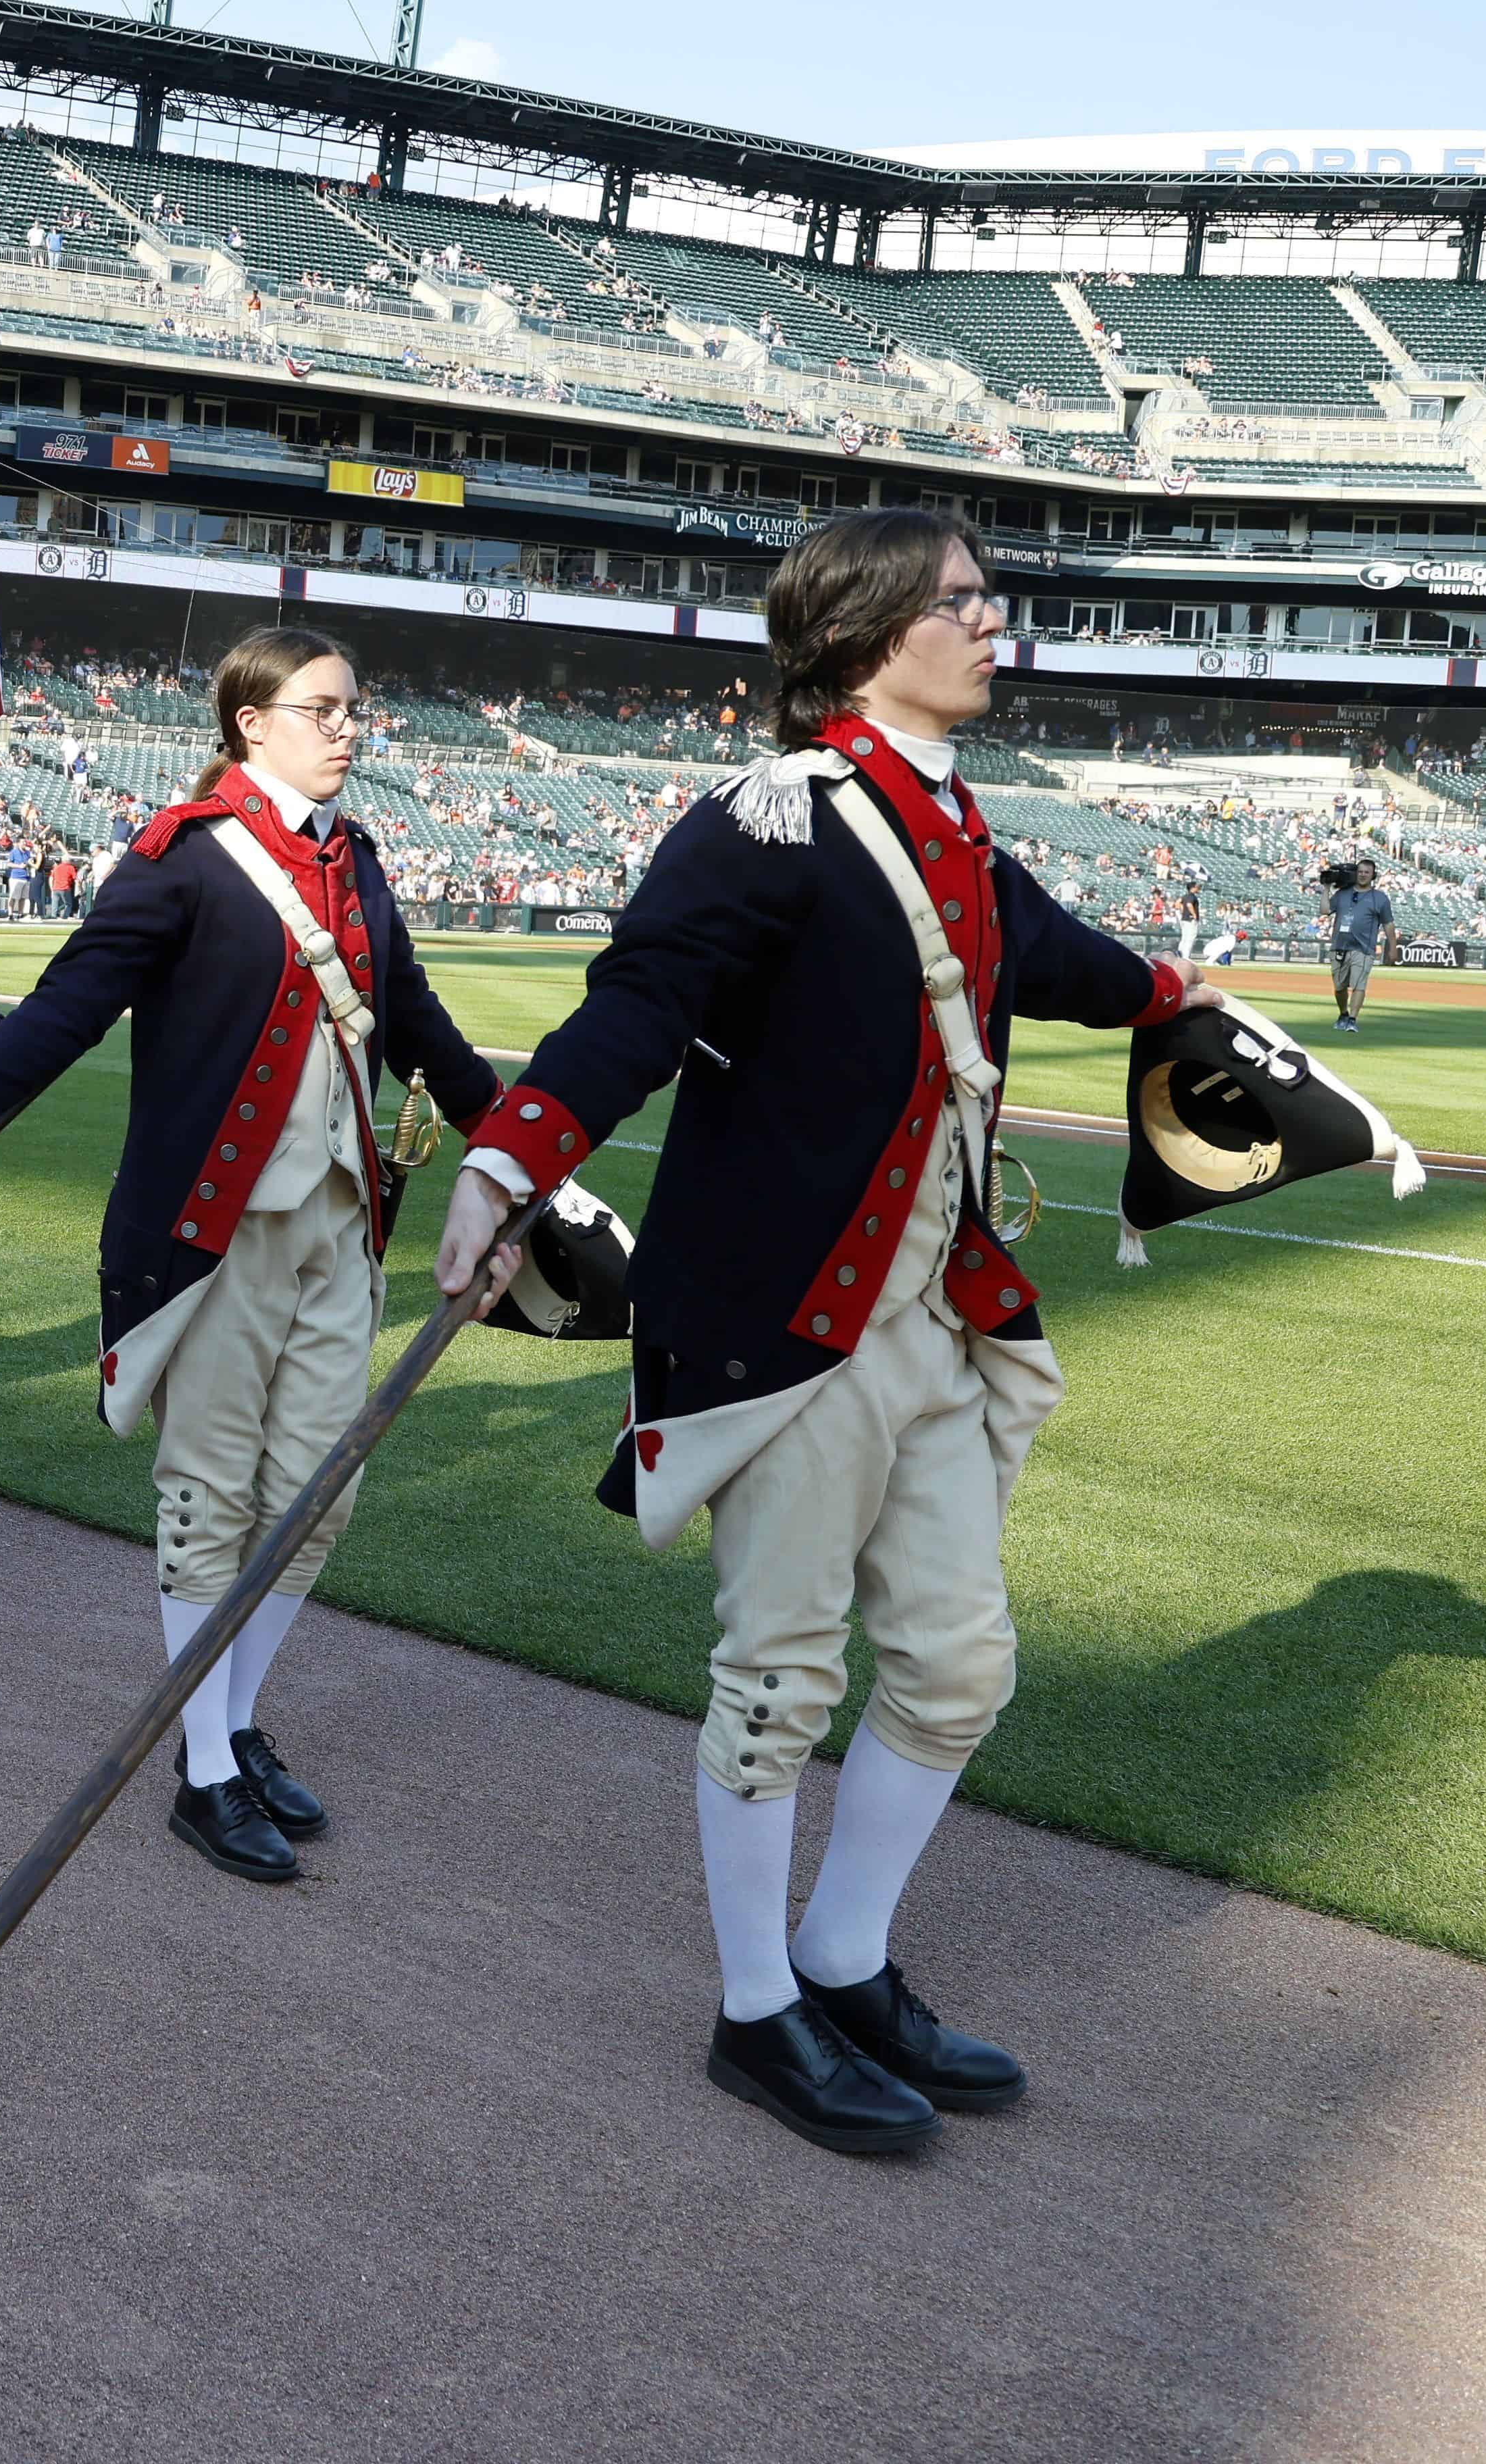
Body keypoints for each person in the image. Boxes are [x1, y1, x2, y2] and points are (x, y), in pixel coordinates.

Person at [432, 509, 1215, 2157]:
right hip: (789, 1326)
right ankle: (753, 2011)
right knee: (779, 1678)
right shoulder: (766, 817)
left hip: (934, 1320)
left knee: (953, 1661)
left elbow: (1039, 953)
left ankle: (843, 1960)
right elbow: (638, 1000)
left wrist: (1160, 985)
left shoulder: (944, 815)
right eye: (964, 601)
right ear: (868, 630)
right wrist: (510, 1157)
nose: (996, 624)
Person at [0, 625, 503, 1882]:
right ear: (250, 722)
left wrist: (516, 1145)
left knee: (318, 1497)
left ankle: (227, 1719)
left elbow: (419, 1020)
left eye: (354, 707)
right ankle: (206, 1763)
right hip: (213, 1235)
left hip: (339, 1228)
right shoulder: (184, 860)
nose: (348, 728)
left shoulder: (359, 860)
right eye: (324, 708)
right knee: (213, 1496)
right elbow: (66, 1011)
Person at [1323, 857, 1390, 1033]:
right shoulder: (1342, 894)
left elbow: (1389, 923)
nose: (1363, 875)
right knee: (1339, 987)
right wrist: (1326, 888)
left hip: (1363, 949)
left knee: (1359, 984)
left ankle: (1353, 1019)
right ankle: (1343, 1014)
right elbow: (1324, 911)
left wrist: (1393, 947)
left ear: (1373, 875)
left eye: (1367, 872)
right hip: (1339, 946)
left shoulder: (1380, 898)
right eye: (1360, 871)